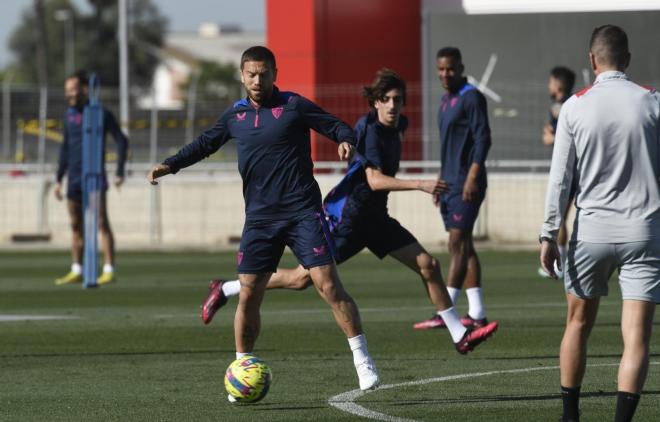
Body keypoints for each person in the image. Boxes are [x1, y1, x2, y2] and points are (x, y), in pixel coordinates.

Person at [200, 68, 498, 355]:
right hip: (349, 220)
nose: (392, 105)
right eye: (386, 99)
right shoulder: (367, 130)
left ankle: (459, 335)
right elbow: (374, 180)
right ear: (375, 102)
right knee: (301, 280)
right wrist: (420, 184)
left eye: (398, 99)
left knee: (429, 265)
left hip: (376, 219)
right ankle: (226, 287)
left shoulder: (399, 127)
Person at [147, 46, 380, 394]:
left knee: (328, 285)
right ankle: (242, 368)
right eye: (251, 74)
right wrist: (171, 164)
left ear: (275, 73)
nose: (257, 80)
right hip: (259, 219)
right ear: (242, 76)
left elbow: (336, 126)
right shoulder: (235, 116)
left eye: (264, 73)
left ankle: (363, 361)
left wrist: (345, 141)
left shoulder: (293, 106)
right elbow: (205, 144)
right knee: (249, 293)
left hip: (302, 211)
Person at [540, 25, 660, 422]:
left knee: (577, 323)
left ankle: (570, 417)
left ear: (592, 60)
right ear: (626, 60)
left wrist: (548, 233)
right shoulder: (651, 102)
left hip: (591, 231)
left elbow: (560, 178)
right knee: (637, 336)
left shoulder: (574, 106)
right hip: (643, 231)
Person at [414, 47, 493, 330]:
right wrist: (439, 179)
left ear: (460, 68)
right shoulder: (447, 100)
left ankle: (444, 311)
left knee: (456, 244)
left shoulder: (471, 97)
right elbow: (449, 146)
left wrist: (472, 176)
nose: (444, 74)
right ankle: (478, 313)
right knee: (466, 246)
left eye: (450, 69)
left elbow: (483, 139)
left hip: (466, 182)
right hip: (449, 181)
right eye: (440, 69)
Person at [54, 70, 128, 286]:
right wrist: (59, 179)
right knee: (75, 224)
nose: (70, 94)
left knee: (101, 222)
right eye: (67, 90)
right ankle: (77, 269)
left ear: (85, 89)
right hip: (74, 179)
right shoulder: (69, 115)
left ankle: (109, 269)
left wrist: (120, 171)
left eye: (73, 89)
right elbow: (65, 148)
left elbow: (122, 141)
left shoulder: (100, 113)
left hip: (94, 177)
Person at [538, 66, 576, 279]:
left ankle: (560, 262)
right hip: (570, 169)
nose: (549, 86)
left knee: (560, 217)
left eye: (551, 82)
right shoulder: (561, 106)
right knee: (562, 217)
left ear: (559, 85)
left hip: (571, 172)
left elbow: (557, 137)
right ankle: (562, 259)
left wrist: (552, 138)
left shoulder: (565, 107)